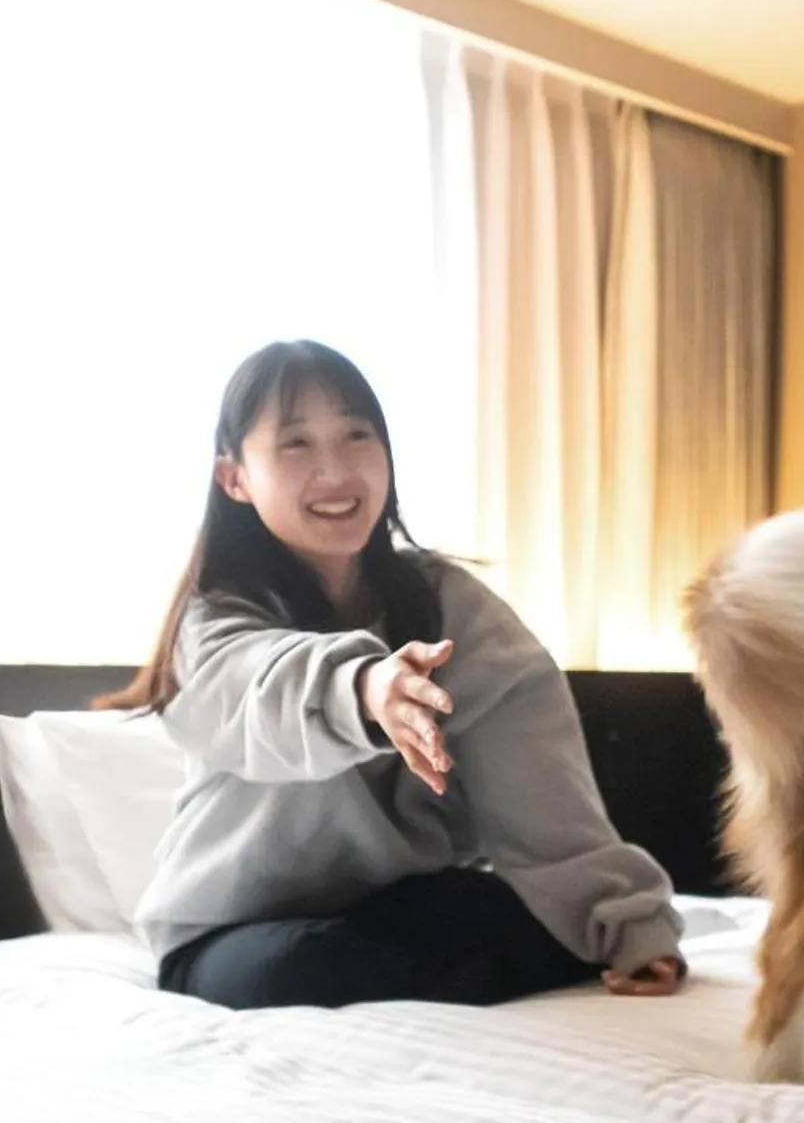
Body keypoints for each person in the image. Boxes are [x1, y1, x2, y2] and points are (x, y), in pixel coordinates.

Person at [104, 339, 688, 1010]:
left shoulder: (447, 604)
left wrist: (630, 930)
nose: (335, 471)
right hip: (237, 930)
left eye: (357, 435)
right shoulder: (213, 616)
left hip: (398, 907)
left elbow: (540, 787)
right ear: (234, 478)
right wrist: (364, 689)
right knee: (302, 968)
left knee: (536, 920)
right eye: (296, 444)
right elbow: (261, 686)